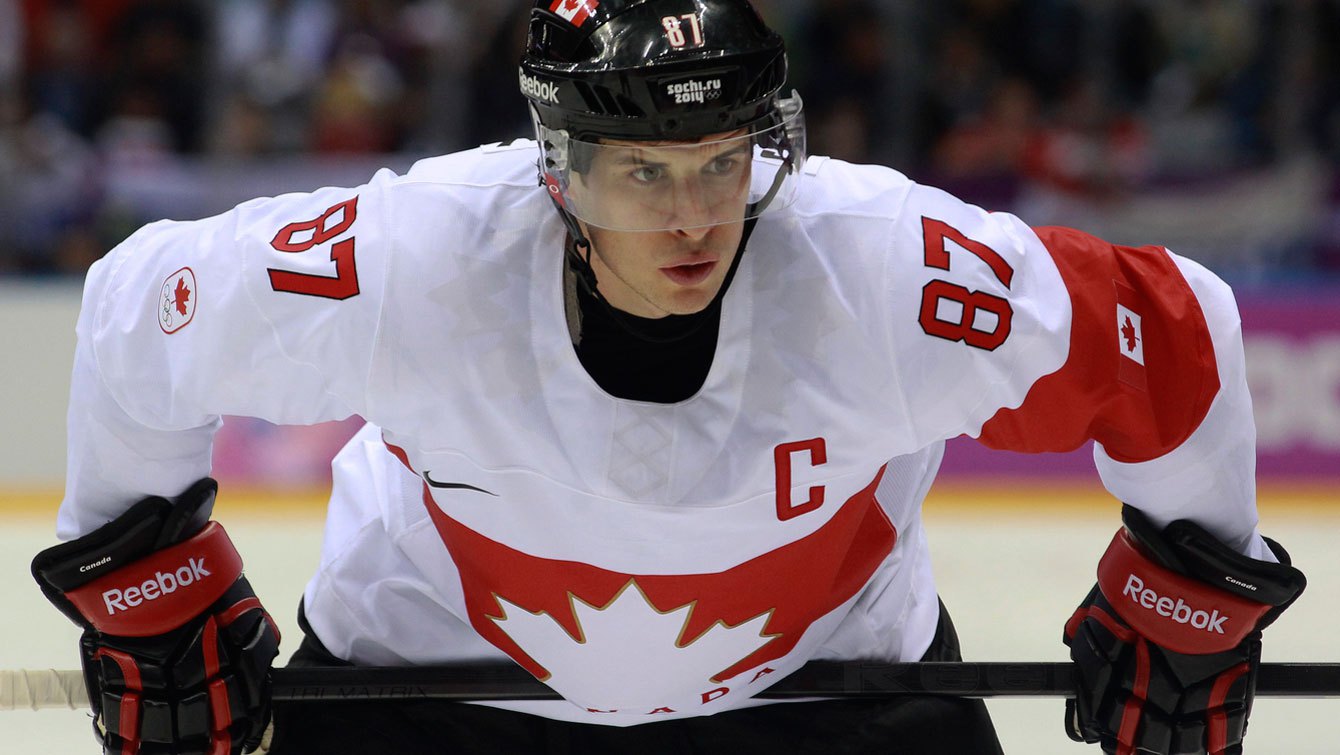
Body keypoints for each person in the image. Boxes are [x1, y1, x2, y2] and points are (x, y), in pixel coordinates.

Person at [30, 1, 1306, 753]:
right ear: (555, 168)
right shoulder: (409, 260)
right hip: (430, 689)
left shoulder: (884, 269)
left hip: (829, 692)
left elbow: (1172, 336)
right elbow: (137, 320)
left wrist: (1185, 590)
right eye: (643, 171)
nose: (694, 212)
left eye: (720, 159)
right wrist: (151, 584)